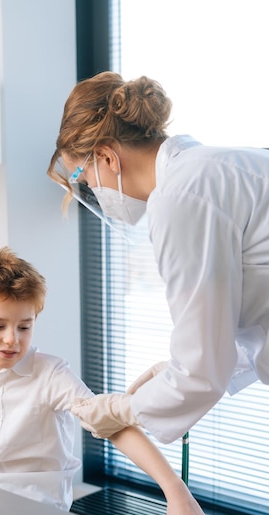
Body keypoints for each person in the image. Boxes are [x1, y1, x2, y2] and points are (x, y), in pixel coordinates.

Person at [0, 247, 211, 515]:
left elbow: (111, 425)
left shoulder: (51, 375)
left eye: (24, 326)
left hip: (39, 505)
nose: (12, 340)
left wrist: (174, 488)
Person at [47, 71, 269, 446]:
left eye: (85, 182)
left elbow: (201, 374)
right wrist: (175, 373)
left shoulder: (180, 198)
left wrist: (123, 409)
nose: (96, 196)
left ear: (106, 157)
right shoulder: (212, 168)